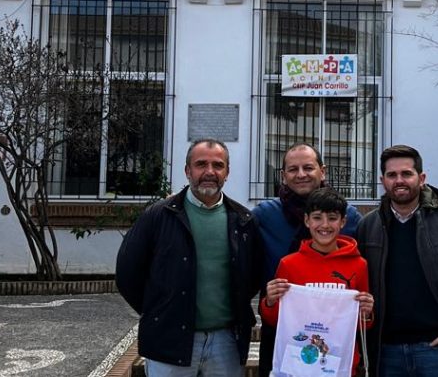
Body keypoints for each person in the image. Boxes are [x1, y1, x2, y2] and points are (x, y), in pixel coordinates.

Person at [116, 138, 264, 377]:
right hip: (169, 339)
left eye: (218, 165)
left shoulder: (243, 220)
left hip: (226, 343)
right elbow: (127, 274)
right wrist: (160, 312)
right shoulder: (158, 216)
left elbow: (253, 275)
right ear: (187, 171)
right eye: (201, 164)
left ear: (227, 173)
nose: (209, 172)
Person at [356, 144, 438, 376]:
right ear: (383, 180)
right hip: (387, 352)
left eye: (406, 173)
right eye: (392, 175)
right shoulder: (368, 226)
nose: (399, 180)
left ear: (421, 178)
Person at [253, 142, 365, 374]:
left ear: (322, 171)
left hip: (334, 338)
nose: (301, 174)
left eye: (308, 167)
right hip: (281, 330)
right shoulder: (264, 215)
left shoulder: (351, 217)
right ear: (283, 176)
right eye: (293, 169)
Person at [260, 188, 375, 376]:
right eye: (317, 217)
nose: (325, 225)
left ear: (343, 222)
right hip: (299, 364)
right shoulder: (289, 264)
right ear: (307, 221)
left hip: (340, 365)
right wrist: (270, 301)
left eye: (332, 218)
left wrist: (367, 312)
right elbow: (275, 320)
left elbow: (362, 323)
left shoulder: (358, 265)